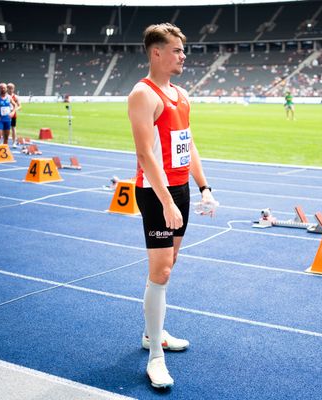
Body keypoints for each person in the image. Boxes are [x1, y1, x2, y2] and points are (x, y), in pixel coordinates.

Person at [127, 23, 217, 389]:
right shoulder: (143, 95)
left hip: (181, 191)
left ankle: (154, 333)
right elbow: (145, 155)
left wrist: (205, 187)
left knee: (169, 266)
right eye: (177, 50)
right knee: (161, 271)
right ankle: (155, 358)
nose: (183, 56)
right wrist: (165, 201)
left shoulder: (181, 94)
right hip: (155, 193)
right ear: (156, 53)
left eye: (183, 50)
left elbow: (187, 144)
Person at [7, 83, 22, 148]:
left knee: (13, 128)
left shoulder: (15, 97)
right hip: (5, 114)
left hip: (13, 114)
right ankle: (5, 141)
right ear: (7, 88)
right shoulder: (4, 96)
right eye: (9, 88)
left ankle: (14, 142)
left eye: (12, 88)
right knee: (5, 128)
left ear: (13, 89)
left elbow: (20, 106)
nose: (10, 90)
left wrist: (14, 110)